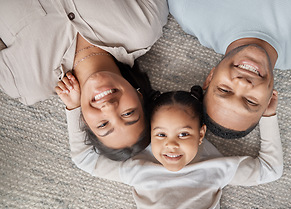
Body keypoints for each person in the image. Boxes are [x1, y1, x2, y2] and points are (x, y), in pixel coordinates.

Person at [65, 82, 283, 209]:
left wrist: (268, 116)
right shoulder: (139, 170)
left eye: (184, 134)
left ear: (200, 134)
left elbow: (270, 170)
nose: (171, 145)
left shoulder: (215, 169)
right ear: (150, 134)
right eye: (160, 135)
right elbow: (85, 159)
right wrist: (74, 107)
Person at [0, 0, 168, 159]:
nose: (109, 107)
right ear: (139, 96)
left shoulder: (27, 84)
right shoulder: (143, 28)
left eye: (103, 125)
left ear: (84, 121)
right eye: (128, 113)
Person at [167, 0, 291, 139]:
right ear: (270, 100)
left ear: (210, 78)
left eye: (225, 90)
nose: (242, 84)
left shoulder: (188, 9)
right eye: (250, 101)